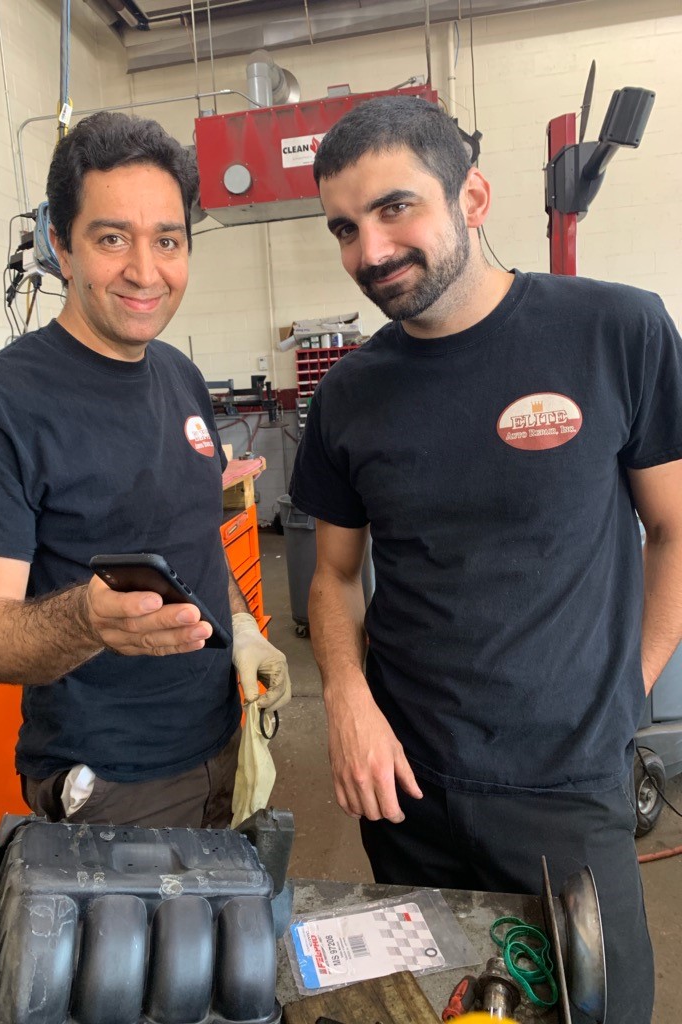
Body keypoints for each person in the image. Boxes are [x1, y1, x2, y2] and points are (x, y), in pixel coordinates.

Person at [290, 95, 682, 1024]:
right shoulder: (349, 395)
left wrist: (627, 688)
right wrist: (346, 698)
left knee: (598, 1007)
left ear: (472, 196)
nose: (370, 250)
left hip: (568, 787)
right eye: (344, 227)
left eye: (394, 208)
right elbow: (334, 577)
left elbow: (674, 529)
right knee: (432, 1006)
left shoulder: (617, 332)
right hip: (405, 789)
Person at [0, 111, 291, 830]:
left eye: (167, 240)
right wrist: (89, 619)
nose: (145, 272)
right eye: (112, 238)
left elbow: (194, 537)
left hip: (225, 738)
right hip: (111, 784)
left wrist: (243, 626)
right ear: (61, 246)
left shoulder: (180, 375)